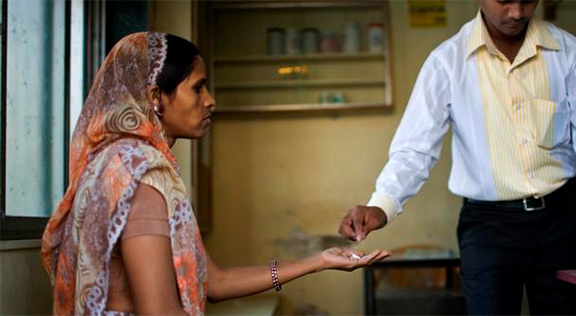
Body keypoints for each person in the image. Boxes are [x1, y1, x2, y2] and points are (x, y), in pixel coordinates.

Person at [40, 32, 390, 316]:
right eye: (198, 87)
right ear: (156, 97)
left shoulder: (124, 163)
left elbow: (215, 283)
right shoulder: (138, 174)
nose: (210, 100)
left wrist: (318, 261)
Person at [338, 0, 576, 314]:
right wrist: (382, 204)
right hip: (489, 228)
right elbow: (415, 149)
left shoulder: (568, 53)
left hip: (561, 220)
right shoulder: (447, 62)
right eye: (503, 0)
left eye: (526, 0)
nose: (516, 12)